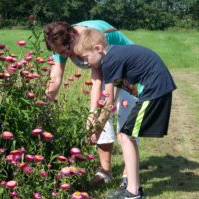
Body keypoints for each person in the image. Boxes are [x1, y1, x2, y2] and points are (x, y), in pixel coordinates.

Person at [73, 29, 176, 199]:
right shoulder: (114, 54)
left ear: (98, 48)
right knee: (126, 135)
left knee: (125, 136)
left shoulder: (109, 61)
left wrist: (96, 129)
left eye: (86, 58)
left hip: (156, 89)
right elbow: (111, 96)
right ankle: (132, 186)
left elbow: (108, 102)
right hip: (158, 87)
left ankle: (133, 192)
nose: (85, 63)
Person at [44, 20, 138, 186]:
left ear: (73, 37)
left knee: (126, 119)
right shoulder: (59, 40)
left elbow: (99, 78)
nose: (65, 56)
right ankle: (105, 171)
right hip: (106, 70)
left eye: (65, 52)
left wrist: (94, 116)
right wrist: (44, 105)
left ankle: (128, 174)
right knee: (100, 118)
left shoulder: (94, 38)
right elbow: (56, 77)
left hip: (129, 68)